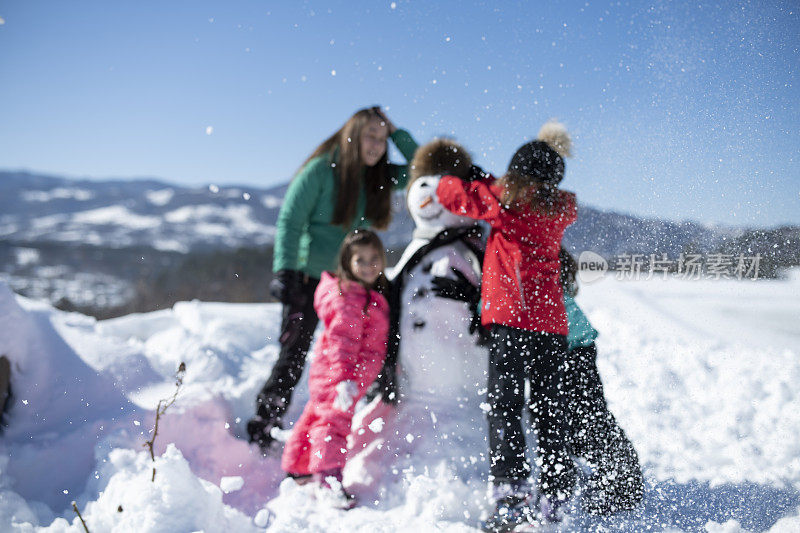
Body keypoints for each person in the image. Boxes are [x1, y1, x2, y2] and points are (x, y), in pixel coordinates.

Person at [247, 107, 418, 451]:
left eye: (383, 139)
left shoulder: (378, 176)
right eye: (371, 135)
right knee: (294, 351)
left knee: (368, 346)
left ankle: (364, 413)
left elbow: (421, 168)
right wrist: (286, 272)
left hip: (354, 283)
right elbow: (290, 221)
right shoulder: (321, 170)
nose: (377, 145)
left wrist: (399, 134)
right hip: (309, 279)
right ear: (352, 135)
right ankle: (265, 423)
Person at [434, 121, 578, 530]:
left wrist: (453, 175)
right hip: (551, 326)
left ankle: (511, 494)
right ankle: (556, 492)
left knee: (505, 406)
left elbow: (453, 195)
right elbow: (521, 193)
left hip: (511, 322)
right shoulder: (557, 211)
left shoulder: (503, 202)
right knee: (551, 408)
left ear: (514, 175)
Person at [280, 229, 390, 508]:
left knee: (318, 415)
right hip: (341, 375)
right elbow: (343, 342)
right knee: (333, 424)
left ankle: (298, 466)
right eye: (360, 260)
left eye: (374, 258)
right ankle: (328, 478)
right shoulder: (348, 299)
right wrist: (343, 380)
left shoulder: (362, 294)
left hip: (338, 374)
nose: (368, 265)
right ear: (347, 263)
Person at [558, 248, 644, 516]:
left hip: (571, 347)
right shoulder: (549, 258)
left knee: (586, 419)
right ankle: (621, 482)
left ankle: (623, 487)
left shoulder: (540, 265)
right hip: (576, 345)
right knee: (588, 416)